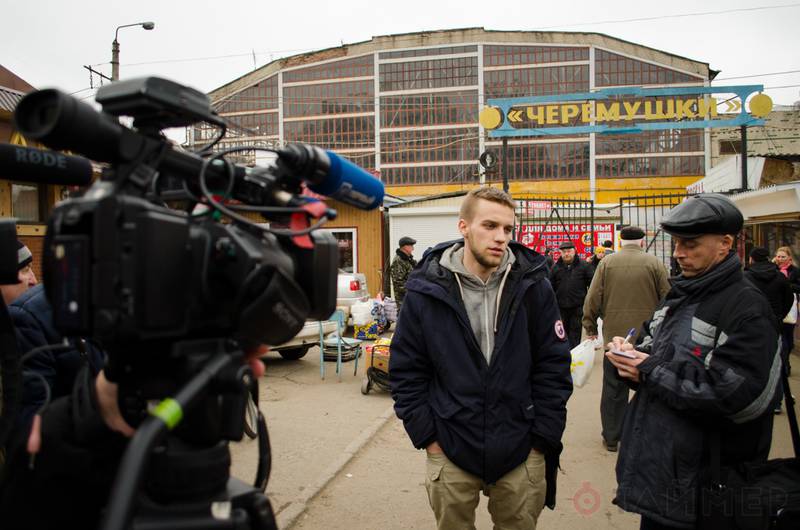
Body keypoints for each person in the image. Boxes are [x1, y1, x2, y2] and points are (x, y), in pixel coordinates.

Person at [389, 186, 573, 530]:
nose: (500, 237)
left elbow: (554, 365)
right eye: (489, 226)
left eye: (507, 229)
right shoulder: (426, 289)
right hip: (450, 446)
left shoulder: (534, 285)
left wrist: (542, 440)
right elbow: (406, 370)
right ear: (463, 227)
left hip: (521, 448)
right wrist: (429, 439)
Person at [606, 194, 780, 529]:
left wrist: (649, 370)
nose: (677, 253)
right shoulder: (681, 292)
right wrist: (629, 356)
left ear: (725, 243)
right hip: (666, 481)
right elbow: (652, 349)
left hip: (710, 488)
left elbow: (734, 395)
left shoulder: (746, 306)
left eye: (690, 244)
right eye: (676, 243)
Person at [582, 225, 670, 452]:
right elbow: (668, 298)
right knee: (650, 387)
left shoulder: (606, 264)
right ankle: (647, 437)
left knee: (613, 389)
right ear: (642, 241)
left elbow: (593, 297)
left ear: (620, 241)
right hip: (649, 338)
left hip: (616, 339)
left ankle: (612, 437)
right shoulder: (654, 263)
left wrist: (590, 325)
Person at [550, 240, 593, 348]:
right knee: (561, 333)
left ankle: (573, 357)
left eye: (569, 251)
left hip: (577, 307)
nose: (566, 254)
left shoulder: (584, 266)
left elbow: (592, 285)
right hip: (561, 308)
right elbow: (550, 287)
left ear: (574, 251)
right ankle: (563, 355)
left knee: (575, 333)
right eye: (563, 252)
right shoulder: (555, 268)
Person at [774, 246, 799, 376]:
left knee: (788, 340)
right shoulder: (772, 269)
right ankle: (783, 365)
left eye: (783, 256)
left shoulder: (795, 271)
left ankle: (785, 360)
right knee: (779, 339)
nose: (780, 259)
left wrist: (787, 285)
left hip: (790, 309)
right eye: (778, 256)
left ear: (789, 258)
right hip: (776, 309)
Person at [389, 236, 417, 307]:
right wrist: (413, 290)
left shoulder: (408, 259)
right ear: (405, 247)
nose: (413, 248)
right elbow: (398, 283)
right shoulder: (398, 261)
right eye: (411, 246)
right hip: (404, 299)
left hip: (411, 296)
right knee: (404, 316)